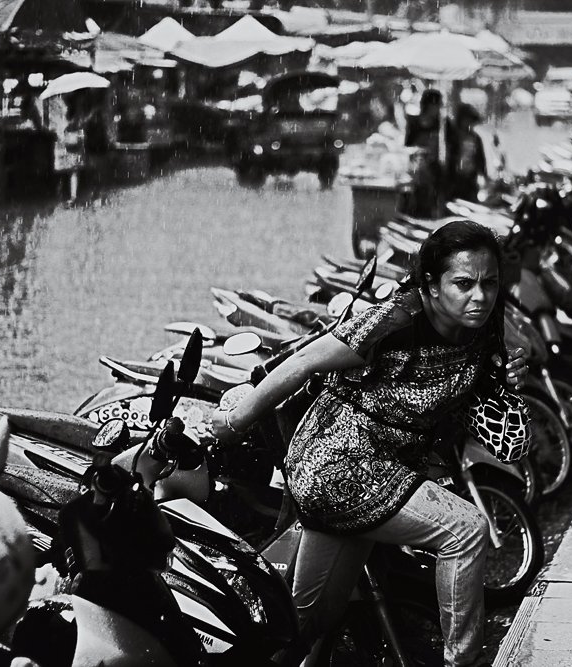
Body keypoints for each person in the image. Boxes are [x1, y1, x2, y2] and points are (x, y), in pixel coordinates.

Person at [211, 220, 530, 666]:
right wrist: (232, 421)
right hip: (336, 463)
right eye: (463, 283)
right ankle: (465, 661)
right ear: (431, 286)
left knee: (308, 622)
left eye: (489, 283)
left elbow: (513, 402)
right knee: (465, 529)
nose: (479, 295)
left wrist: (515, 370)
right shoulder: (397, 320)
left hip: (388, 471)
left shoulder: (482, 325)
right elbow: (304, 361)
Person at [404, 89, 444, 217]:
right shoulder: (414, 123)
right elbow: (408, 146)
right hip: (417, 172)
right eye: (435, 105)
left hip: (435, 173)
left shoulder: (443, 125)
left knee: (432, 206)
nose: (437, 108)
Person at [446, 103, 487, 203]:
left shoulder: (476, 138)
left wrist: (482, 176)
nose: (468, 123)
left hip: (470, 180)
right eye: (466, 119)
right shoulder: (452, 137)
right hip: (454, 180)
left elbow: (481, 160)